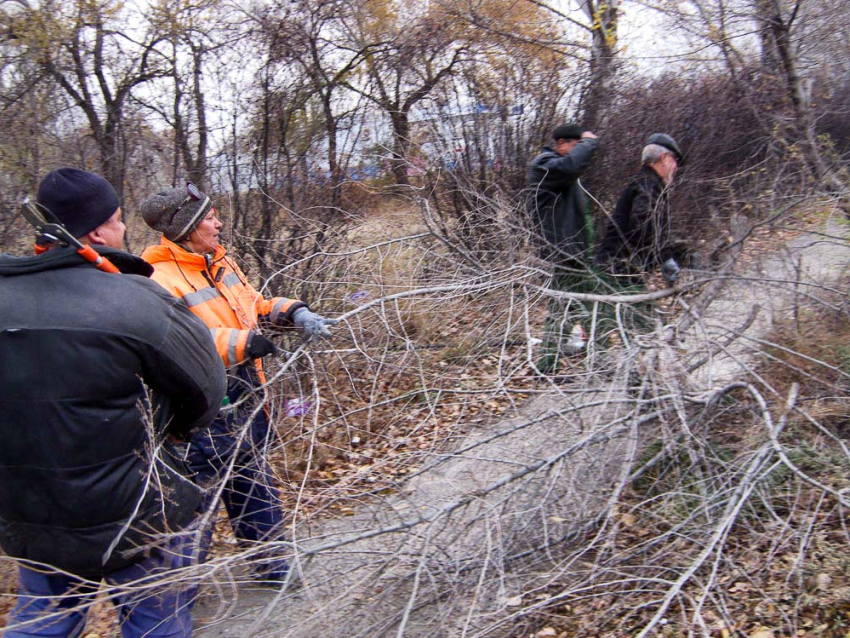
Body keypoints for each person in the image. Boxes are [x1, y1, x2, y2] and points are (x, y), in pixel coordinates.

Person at [0, 168, 227, 638]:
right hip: (134, 514)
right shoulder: (134, 300)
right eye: (119, 218)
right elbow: (207, 393)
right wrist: (168, 426)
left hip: (32, 516)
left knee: (39, 625)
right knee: (155, 624)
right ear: (101, 229)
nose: (124, 229)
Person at [139, 184, 336, 586]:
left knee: (254, 480)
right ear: (188, 227)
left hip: (247, 391)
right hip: (201, 401)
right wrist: (246, 343)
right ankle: (177, 594)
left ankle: (272, 568)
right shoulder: (157, 278)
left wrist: (295, 313)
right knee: (200, 498)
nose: (218, 223)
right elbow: (182, 343)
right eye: (210, 218)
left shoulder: (220, 262)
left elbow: (255, 306)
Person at [526, 123, 599, 373]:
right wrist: (589, 143)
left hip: (575, 253)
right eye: (577, 146)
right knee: (566, 309)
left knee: (581, 307)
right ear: (562, 144)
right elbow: (571, 166)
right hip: (564, 254)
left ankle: (593, 359)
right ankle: (550, 365)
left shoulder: (563, 173)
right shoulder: (546, 165)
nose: (581, 153)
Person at [596, 133, 684, 287]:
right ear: (663, 158)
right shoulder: (648, 185)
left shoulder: (645, 182)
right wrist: (666, 258)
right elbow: (645, 224)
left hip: (621, 270)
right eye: (674, 160)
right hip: (619, 273)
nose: (676, 166)